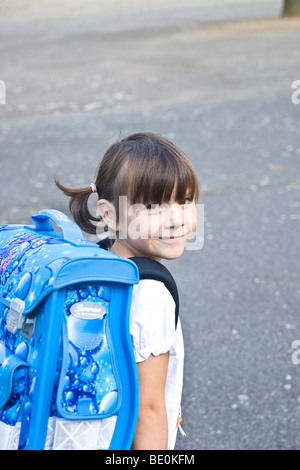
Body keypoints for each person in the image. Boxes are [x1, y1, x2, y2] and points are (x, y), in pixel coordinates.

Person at [55, 132, 199, 450]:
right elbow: (147, 408)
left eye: (185, 201)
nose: (176, 220)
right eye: (153, 206)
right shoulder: (151, 294)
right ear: (109, 215)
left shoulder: (100, 259)